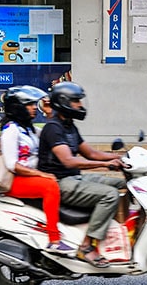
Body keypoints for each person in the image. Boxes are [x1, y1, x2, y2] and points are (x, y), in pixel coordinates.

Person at [37, 81, 125, 268]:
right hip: (61, 182)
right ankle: (86, 246)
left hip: (75, 178)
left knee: (121, 185)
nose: (80, 105)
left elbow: (91, 153)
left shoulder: (69, 126)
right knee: (110, 195)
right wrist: (105, 164)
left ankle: (116, 235)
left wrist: (121, 157)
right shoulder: (53, 128)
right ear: (64, 102)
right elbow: (68, 161)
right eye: (76, 101)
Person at [0, 85, 76, 256]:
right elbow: (13, 165)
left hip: (30, 177)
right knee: (49, 185)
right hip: (16, 180)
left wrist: (50, 113)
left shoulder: (29, 129)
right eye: (29, 105)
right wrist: (42, 175)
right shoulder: (11, 130)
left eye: (34, 104)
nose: (34, 108)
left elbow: (51, 132)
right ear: (17, 107)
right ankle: (54, 241)